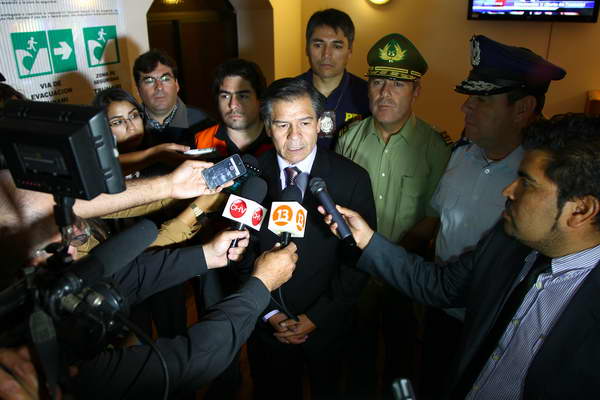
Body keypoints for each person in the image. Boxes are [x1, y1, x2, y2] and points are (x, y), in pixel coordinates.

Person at [322, 113, 600, 399]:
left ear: (581, 210)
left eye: (526, 183)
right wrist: (367, 239)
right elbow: (440, 285)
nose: (508, 190)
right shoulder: (507, 241)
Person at [0, 166, 299, 399]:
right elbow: (193, 359)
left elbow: (126, 278)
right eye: (55, 245)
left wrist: (207, 255)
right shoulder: (36, 369)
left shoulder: (35, 290)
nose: (74, 245)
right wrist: (261, 283)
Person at [410, 35, 566, 398]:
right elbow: (437, 220)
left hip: (495, 326)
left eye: (482, 99)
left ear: (523, 108)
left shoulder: (546, 183)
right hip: (440, 310)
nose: (466, 107)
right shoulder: (461, 154)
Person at [238, 77, 376, 400]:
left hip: (328, 327)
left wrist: (316, 317)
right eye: (282, 125)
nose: (295, 136)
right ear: (268, 127)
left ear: (319, 124)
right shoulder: (249, 178)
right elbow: (238, 254)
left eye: (304, 122)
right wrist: (270, 314)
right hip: (267, 328)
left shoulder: (352, 179)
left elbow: (359, 261)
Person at [335, 33, 451, 398]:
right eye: (378, 82)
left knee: (402, 361)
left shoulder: (436, 147)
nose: (385, 93)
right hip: (355, 272)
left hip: (405, 275)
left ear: (416, 92)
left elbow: (433, 218)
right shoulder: (347, 139)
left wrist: (390, 261)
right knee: (356, 357)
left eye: (398, 84)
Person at [299, 8, 370, 150]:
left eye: (337, 46)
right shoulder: (288, 93)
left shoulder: (368, 95)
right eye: (318, 45)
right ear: (307, 48)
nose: (326, 54)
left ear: (350, 51)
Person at [133, 49, 212, 148]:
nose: (159, 87)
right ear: (138, 90)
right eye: (149, 81)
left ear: (177, 85)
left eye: (165, 79)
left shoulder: (202, 122)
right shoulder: (128, 128)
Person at [194, 58, 272, 158]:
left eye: (242, 96)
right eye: (225, 96)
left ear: (260, 99)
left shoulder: (278, 139)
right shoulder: (199, 141)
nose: (233, 105)